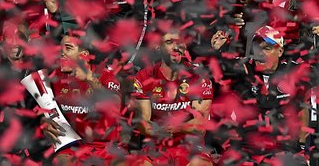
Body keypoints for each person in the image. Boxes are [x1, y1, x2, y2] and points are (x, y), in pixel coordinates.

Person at [224, 25, 312, 162]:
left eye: (267, 48)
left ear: (280, 51)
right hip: (247, 149)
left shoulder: (295, 72)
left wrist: (302, 148)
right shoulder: (243, 69)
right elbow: (213, 67)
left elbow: (303, 111)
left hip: (283, 148)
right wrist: (218, 49)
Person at [38, 31, 128, 164]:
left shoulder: (105, 75)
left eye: (68, 48)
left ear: (84, 54)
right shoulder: (54, 77)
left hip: (108, 147)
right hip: (74, 147)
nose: (61, 53)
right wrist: (45, 121)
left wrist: (90, 79)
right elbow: (47, 109)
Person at [131, 23, 214, 166]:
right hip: (156, 147)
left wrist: (176, 127)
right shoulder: (143, 77)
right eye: (169, 42)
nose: (176, 47)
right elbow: (142, 123)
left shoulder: (199, 76)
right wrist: (160, 131)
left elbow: (201, 124)